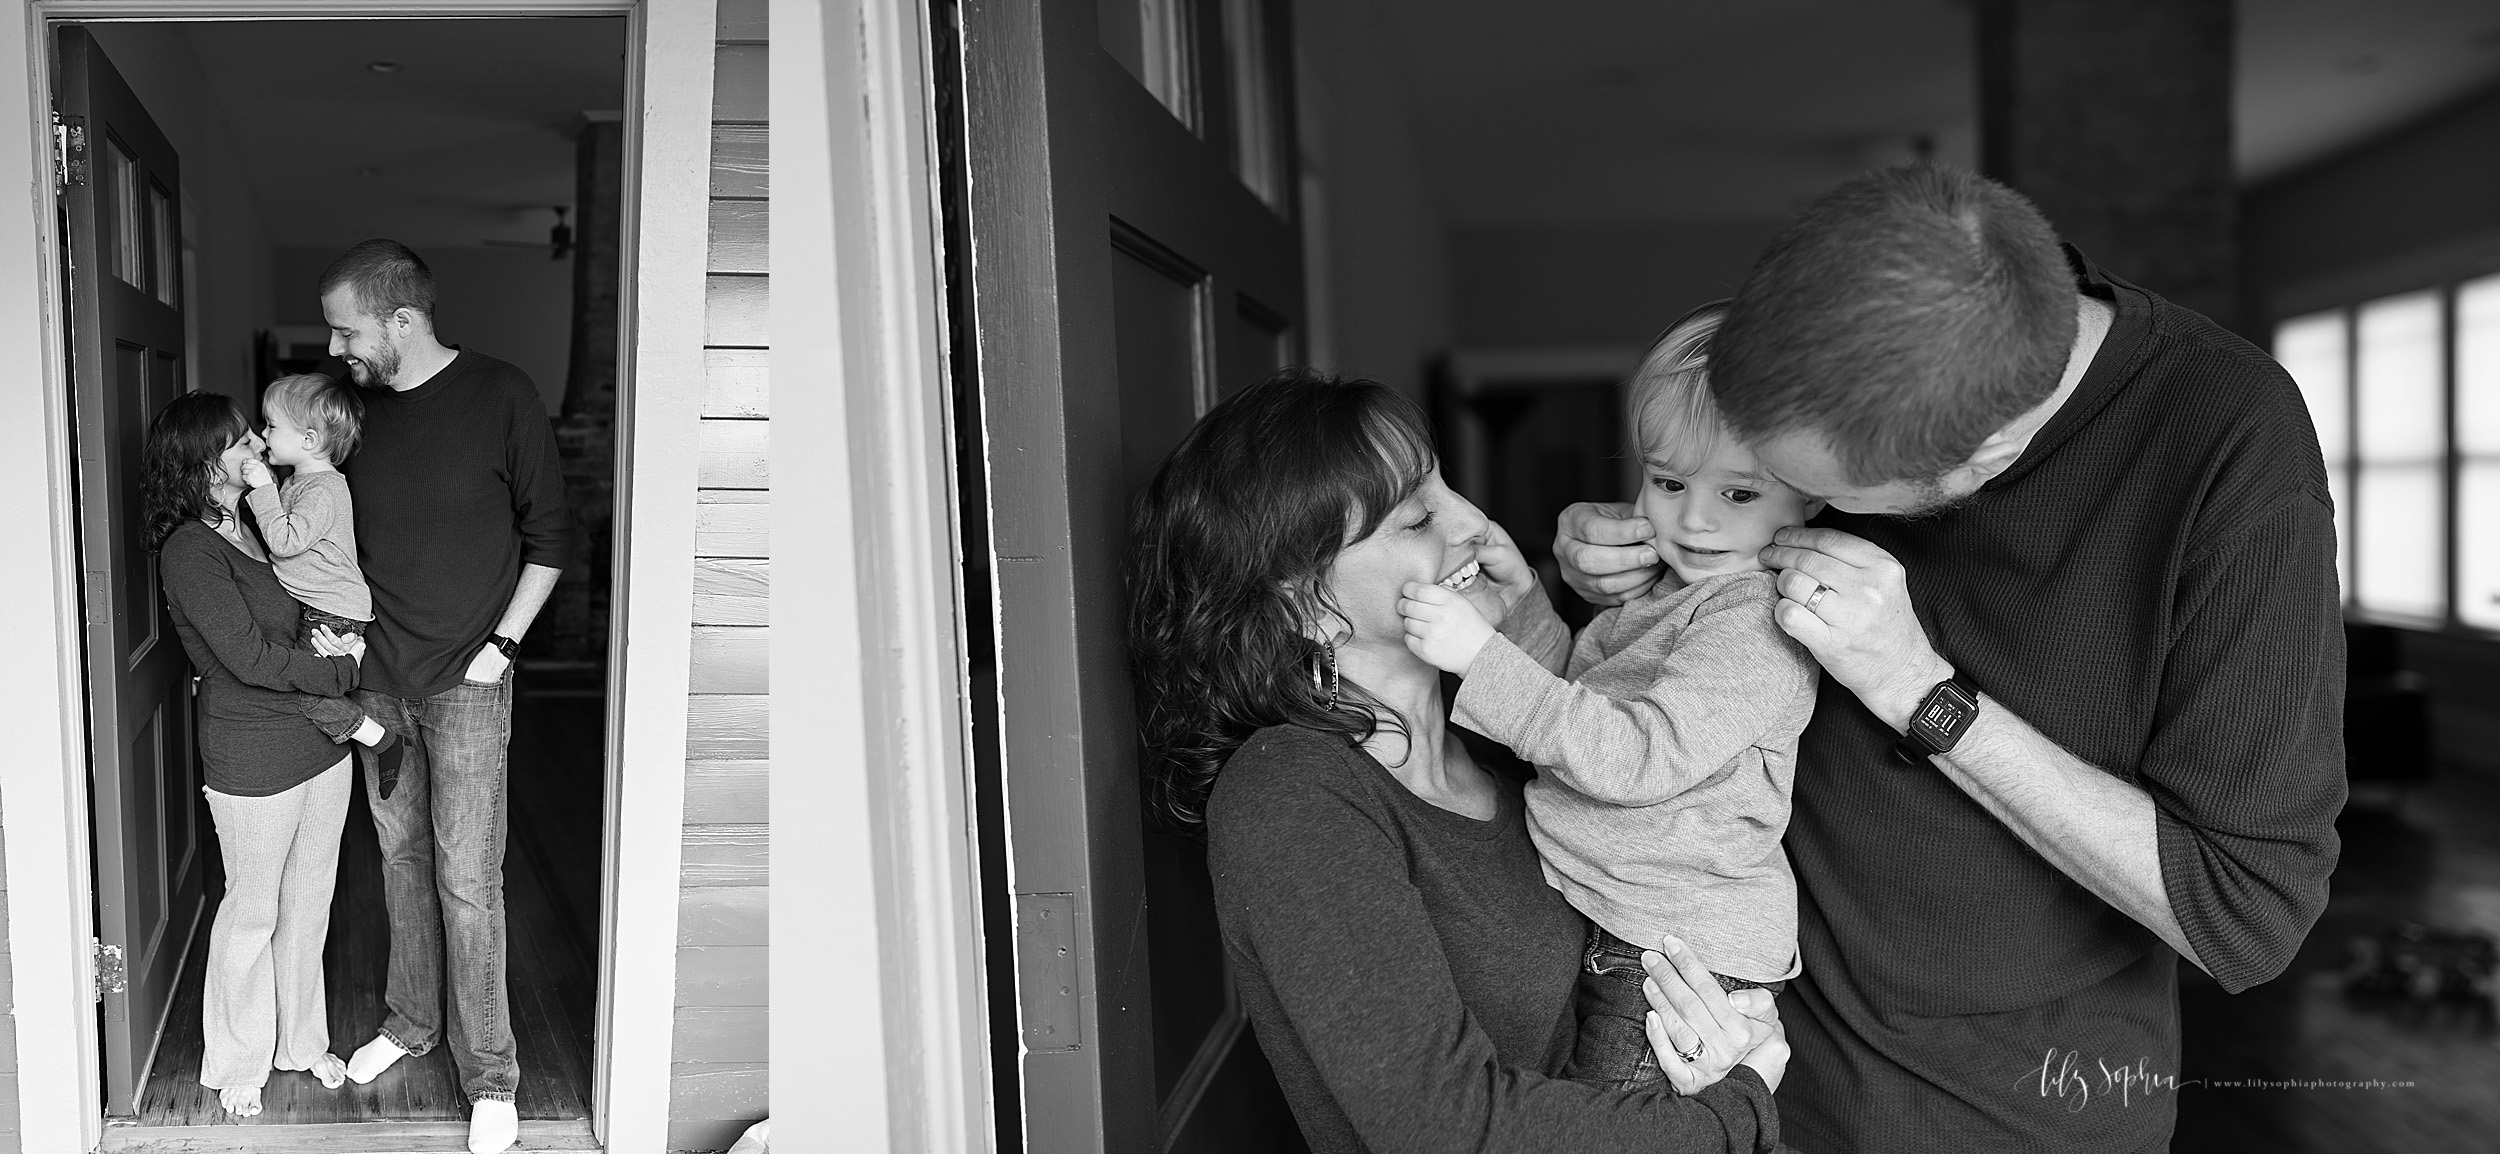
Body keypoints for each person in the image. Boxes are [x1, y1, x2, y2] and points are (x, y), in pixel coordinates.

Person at [1553, 163, 2344, 1151]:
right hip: (1744, 1054)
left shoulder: (2228, 453)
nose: (1791, 509)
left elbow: (2244, 909)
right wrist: (1638, 566)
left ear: (1981, 463)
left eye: (1819, 493)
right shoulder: (1873, 339)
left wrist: (1920, 689)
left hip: (2014, 1108)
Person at [1128, 369, 1790, 1154]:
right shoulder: (1292, 794)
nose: (1475, 522)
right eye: (1416, 520)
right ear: (1301, 600)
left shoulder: (1504, 753)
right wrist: (1736, 1107)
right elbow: (1442, 1127)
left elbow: (1608, 739)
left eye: (1447, 487)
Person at [1397, 302, 1822, 1088]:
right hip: (1615, 915)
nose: (1693, 518)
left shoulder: (1755, 620)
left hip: (1675, 960)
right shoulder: (1669, 589)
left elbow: (1634, 756)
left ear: (1812, 498)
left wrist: (1481, 658)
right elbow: (1585, 701)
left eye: (1739, 495)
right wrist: (1521, 607)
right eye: (1667, 481)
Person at [318, 239, 574, 1154]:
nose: (338, 349)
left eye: (348, 331)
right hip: (379, 688)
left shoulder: (502, 395)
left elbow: (549, 539)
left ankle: (493, 1074)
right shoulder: (351, 414)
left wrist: (502, 648)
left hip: (470, 684)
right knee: (398, 862)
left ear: (403, 320)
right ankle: (409, 1023)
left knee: (469, 880)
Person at [145, 392, 364, 1118]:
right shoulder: (189, 548)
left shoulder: (257, 523)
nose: (257, 448)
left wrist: (334, 639)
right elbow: (242, 656)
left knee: (309, 907)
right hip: (251, 752)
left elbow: (306, 602)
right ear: (206, 462)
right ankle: (238, 1059)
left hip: (318, 745)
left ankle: (300, 1043)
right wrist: (336, 671)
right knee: (252, 912)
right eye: (241, 440)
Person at [237, 373, 401, 776]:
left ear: (308, 440)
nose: (263, 434)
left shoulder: (324, 490)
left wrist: (261, 488)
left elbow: (286, 540)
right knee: (304, 684)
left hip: (332, 611)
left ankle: (383, 741)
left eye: (272, 426)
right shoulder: (299, 480)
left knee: (307, 694)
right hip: (320, 605)